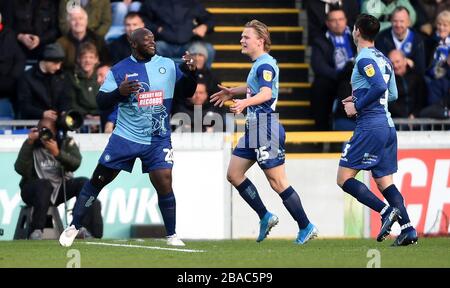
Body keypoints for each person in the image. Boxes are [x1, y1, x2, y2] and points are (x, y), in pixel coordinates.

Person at [59, 27, 197, 247]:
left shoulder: (167, 65)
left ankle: (171, 234)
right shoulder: (119, 69)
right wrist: (119, 92)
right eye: (147, 40)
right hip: (126, 136)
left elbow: (188, 92)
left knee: (164, 180)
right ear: (134, 44)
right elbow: (101, 101)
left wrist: (192, 73)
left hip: (157, 138)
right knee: (99, 179)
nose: (152, 42)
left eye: (153, 39)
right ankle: (74, 226)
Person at [210, 20, 318, 244]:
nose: (241, 40)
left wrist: (244, 102)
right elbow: (255, 88)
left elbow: (266, 93)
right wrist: (232, 92)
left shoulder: (265, 65)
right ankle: (265, 215)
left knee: (277, 181)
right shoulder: (259, 64)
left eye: (246, 37)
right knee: (234, 174)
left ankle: (306, 225)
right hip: (254, 128)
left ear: (260, 41)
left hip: (266, 126)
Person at [337, 14, 418, 246]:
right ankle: (407, 229)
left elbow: (379, 86)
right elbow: (392, 94)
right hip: (388, 126)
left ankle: (385, 212)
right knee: (385, 182)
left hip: (371, 125)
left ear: (357, 31)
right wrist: (358, 95)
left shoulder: (363, 59)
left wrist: (357, 104)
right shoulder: (384, 58)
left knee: (344, 178)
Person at [14, 117, 103, 240]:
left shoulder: (65, 142)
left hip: (60, 188)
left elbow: (75, 163)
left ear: (55, 131)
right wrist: (29, 142)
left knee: (84, 183)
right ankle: (37, 230)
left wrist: (57, 153)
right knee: (44, 185)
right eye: (42, 131)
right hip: (35, 190)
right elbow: (20, 169)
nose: (45, 135)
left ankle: (79, 228)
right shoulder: (31, 144)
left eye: (48, 131)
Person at [17, 43, 70, 120]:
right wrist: (42, 113)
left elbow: (65, 98)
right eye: (55, 63)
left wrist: (64, 111)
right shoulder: (27, 78)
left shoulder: (61, 76)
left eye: (60, 64)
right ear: (45, 60)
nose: (58, 67)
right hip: (34, 123)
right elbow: (24, 105)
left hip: (56, 122)